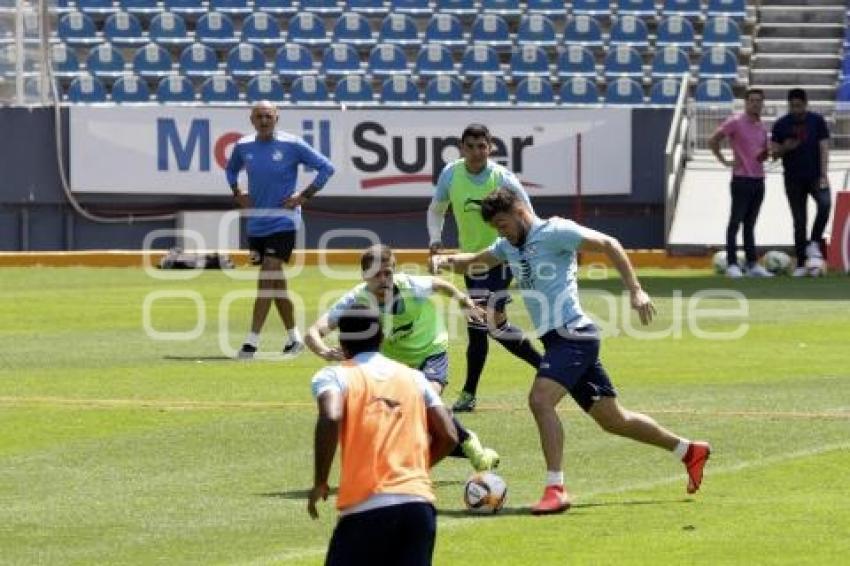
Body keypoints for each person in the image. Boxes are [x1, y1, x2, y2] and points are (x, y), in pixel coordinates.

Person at [431, 189, 711, 515]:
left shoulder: (555, 231)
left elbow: (609, 244)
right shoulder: (508, 246)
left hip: (574, 335)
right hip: (558, 341)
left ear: (520, 211)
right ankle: (688, 451)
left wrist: (636, 291)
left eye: (503, 224)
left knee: (540, 400)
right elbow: (478, 260)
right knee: (613, 419)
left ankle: (555, 488)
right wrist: (446, 259)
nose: (502, 232)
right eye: (497, 228)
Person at [306, 244, 500, 471]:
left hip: (431, 349)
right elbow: (313, 332)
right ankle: (462, 441)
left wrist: (461, 299)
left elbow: (439, 284)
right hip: (396, 364)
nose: (383, 279)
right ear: (364, 276)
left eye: (388, 272)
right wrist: (325, 351)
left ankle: (463, 444)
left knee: (420, 401)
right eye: (376, 274)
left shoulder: (409, 285)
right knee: (407, 412)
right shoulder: (356, 300)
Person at [307, 305, 458, 566]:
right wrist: (414, 472)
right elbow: (449, 435)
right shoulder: (416, 378)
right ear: (382, 338)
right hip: (418, 507)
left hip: (366, 506)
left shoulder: (335, 376)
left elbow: (330, 417)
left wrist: (321, 480)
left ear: (342, 341)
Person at [427, 123, 542, 412]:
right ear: (461, 148)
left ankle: (468, 393)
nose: (477, 152)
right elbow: (436, 209)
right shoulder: (451, 174)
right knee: (492, 325)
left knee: (480, 325)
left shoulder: (502, 178)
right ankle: (548, 366)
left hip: (500, 259)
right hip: (470, 263)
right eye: (471, 146)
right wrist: (435, 241)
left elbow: (529, 215)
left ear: (490, 148)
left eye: (482, 146)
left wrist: (527, 250)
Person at [225, 101, 335, 359]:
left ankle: (251, 341)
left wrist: (304, 196)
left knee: (266, 277)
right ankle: (294, 338)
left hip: (284, 221)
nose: (264, 120)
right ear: (251, 120)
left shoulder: (292, 144)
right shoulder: (243, 146)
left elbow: (327, 168)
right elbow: (230, 170)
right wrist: (237, 191)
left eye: (268, 116)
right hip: (256, 223)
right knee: (275, 284)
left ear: (277, 118)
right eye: (259, 116)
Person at [707, 89, 774, 278]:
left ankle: (752, 264)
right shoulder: (736, 121)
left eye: (759, 101)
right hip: (741, 179)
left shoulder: (762, 126)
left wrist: (766, 154)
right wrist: (725, 161)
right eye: (752, 100)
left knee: (750, 224)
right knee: (735, 222)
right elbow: (713, 140)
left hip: (758, 180)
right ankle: (732, 264)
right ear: (745, 103)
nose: (755, 104)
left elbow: (761, 152)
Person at [770, 88, 832, 276]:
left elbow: (823, 147)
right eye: (792, 106)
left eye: (799, 105)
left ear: (806, 104)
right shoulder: (781, 124)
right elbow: (774, 154)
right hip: (793, 178)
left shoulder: (817, 121)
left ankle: (814, 242)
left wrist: (823, 173)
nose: (796, 110)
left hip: (815, 175)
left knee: (825, 204)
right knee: (799, 220)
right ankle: (800, 264)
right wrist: (785, 148)